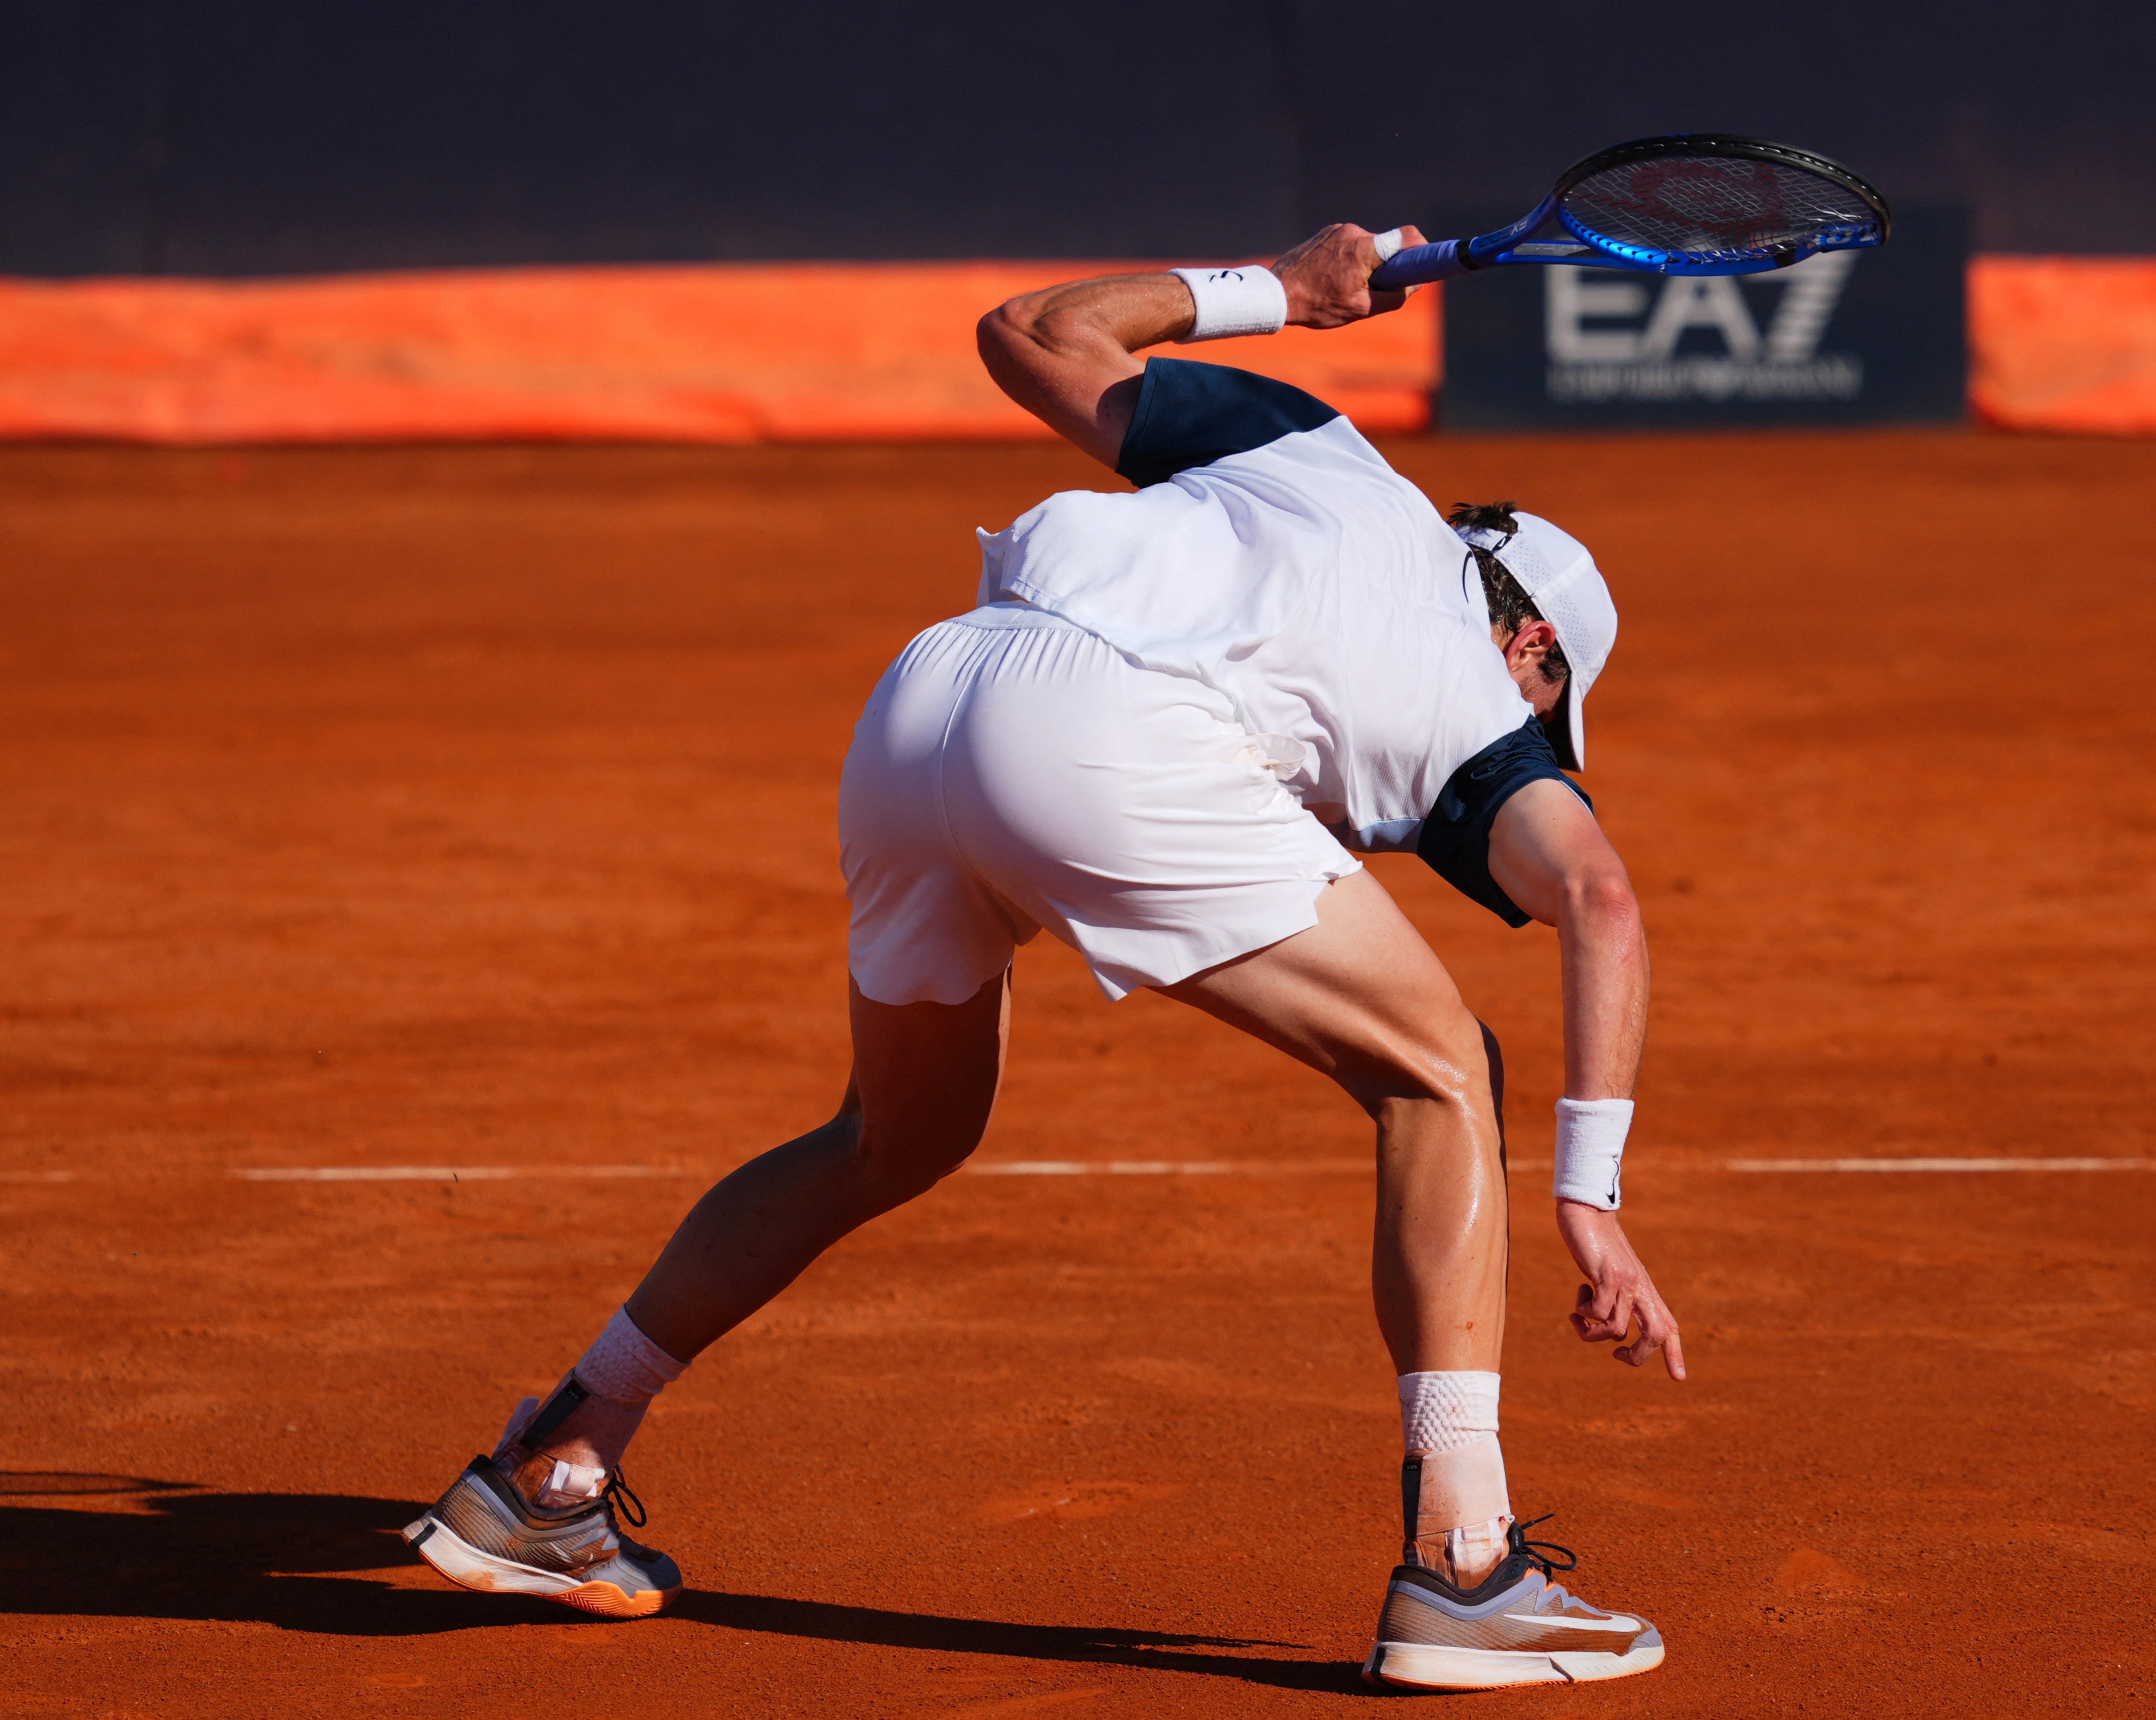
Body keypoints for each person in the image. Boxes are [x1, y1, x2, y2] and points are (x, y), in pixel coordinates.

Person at [403, 222, 1684, 1692]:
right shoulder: (1480, 695)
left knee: (896, 1131)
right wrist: (1590, 1198)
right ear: (1534, 646)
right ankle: (1466, 1567)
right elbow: (1599, 901)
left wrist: (1286, 288)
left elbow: (1031, 329)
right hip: (1104, 741)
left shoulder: (1316, 457)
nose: (1539, 717)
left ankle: (554, 1470)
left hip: (928, 701)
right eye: (1552, 694)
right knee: (1442, 1076)